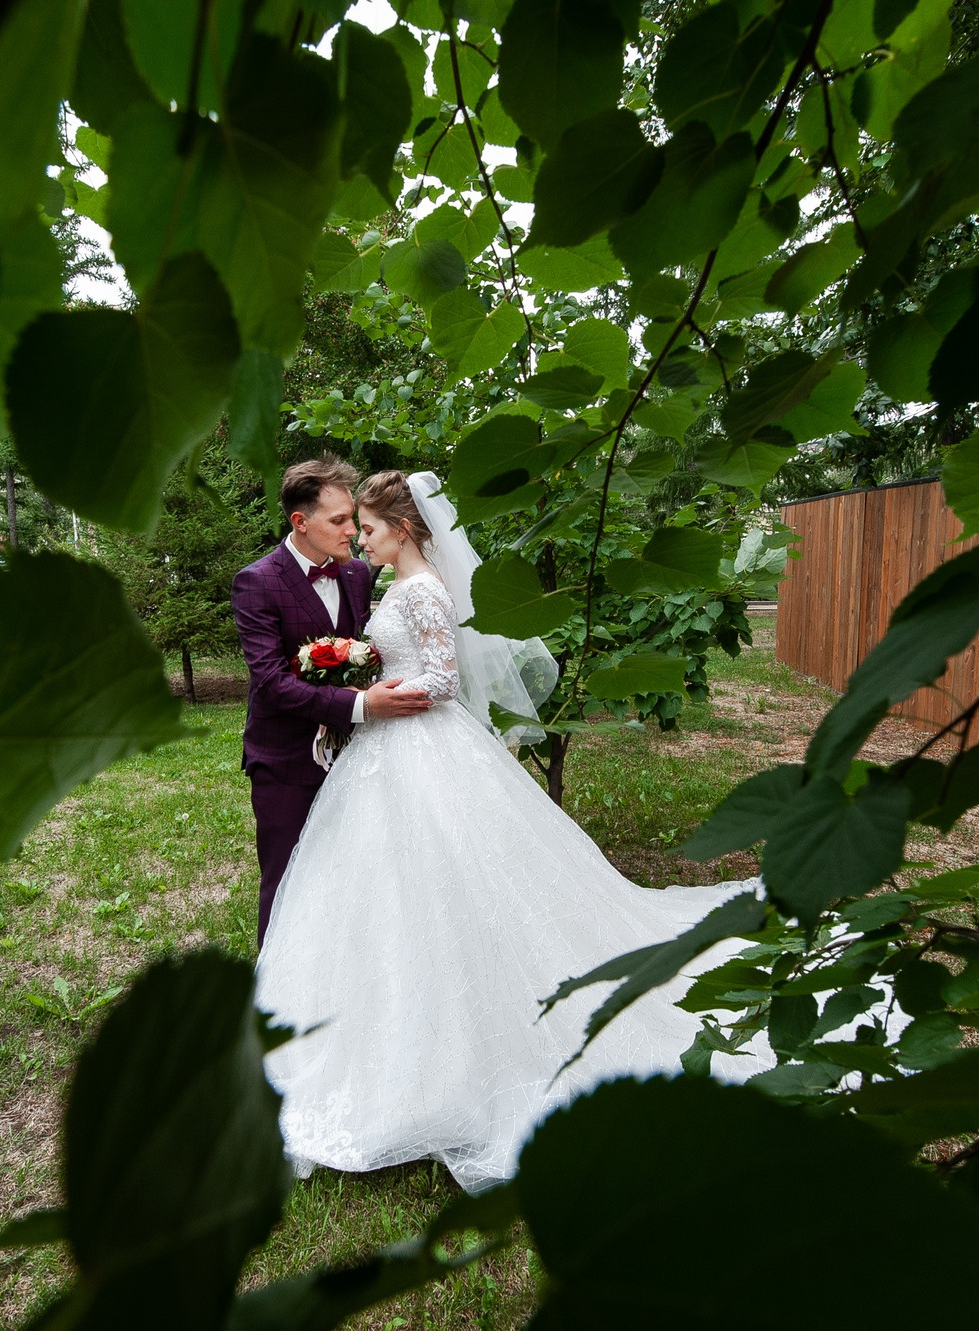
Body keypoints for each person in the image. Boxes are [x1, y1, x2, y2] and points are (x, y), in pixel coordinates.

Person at [254, 470, 776, 1193]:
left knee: (446, 883)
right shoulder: (388, 585)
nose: (358, 540)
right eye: (352, 527)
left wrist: (369, 689)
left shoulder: (426, 589)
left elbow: (441, 676)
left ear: (401, 529)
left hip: (417, 745)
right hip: (381, 748)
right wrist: (359, 683)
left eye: (368, 528)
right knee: (377, 892)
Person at [232, 457, 435, 948]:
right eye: (339, 520)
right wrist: (363, 705)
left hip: (360, 760)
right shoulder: (257, 582)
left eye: (353, 519)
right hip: (286, 759)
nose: (352, 531)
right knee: (285, 879)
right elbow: (272, 683)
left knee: (353, 878)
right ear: (300, 522)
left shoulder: (358, 576)